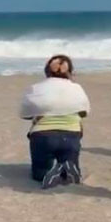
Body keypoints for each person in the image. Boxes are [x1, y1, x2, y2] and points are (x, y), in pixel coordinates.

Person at [20, 55, 90, 189]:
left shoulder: (35, 88)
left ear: (47, 71)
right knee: (70, 159)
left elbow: (24, 114)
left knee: (39, 173)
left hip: (43, 136)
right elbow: (84, 112)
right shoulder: (77, 88)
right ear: (70, 72)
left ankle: (49, 172)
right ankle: (68, 168)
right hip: (71, 136)